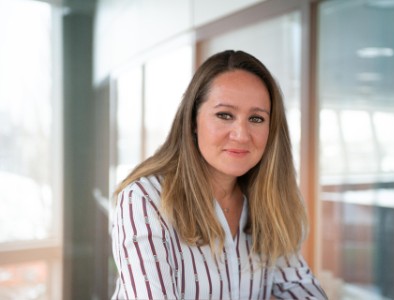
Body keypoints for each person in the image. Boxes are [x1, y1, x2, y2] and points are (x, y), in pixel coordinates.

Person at [111, 50, 328, 300]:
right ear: (193, 120)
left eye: (256, 118)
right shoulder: (145, 200)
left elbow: (303, 290)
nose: (241, 134)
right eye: (225, 115)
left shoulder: (269, 203)